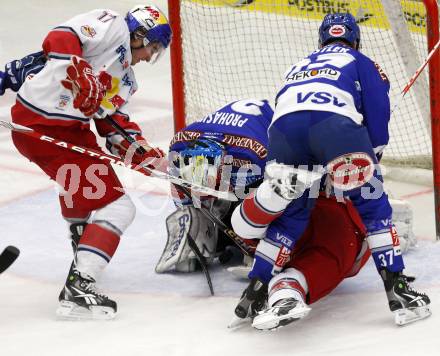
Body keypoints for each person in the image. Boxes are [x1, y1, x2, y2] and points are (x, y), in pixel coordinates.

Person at [230, 13, 430, 329]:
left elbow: (287, 110)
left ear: (321, 40)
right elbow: (377, 115)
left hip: (283, 134)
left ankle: (254, 291)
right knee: (374, 208)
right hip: (335, 128)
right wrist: (371, 156)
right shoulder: (361, 61)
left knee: (292, 216)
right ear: (355, 40)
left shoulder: (296, 66)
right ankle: (399, 290)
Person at [8, 3, 171, 319]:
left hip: (71, 134)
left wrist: (145, 156)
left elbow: (112, 126)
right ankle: (80, 288)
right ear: (138, 34)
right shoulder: (111, 25)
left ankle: (83, 250)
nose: (151, 57)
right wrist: (78, 67)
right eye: (152, 47)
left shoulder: (125, 80)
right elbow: (61, 36)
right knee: (120, 206)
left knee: (88, 196)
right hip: (40, 127)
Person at [155, 98, 274, 274]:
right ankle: (214, 238)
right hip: (234, 141)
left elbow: (273, 193)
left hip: (261, 132)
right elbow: (186, 204)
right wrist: (195, 229)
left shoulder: (254, 155)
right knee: (200, 201)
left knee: (261, 198)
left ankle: (262, 244)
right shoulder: (178, 147)